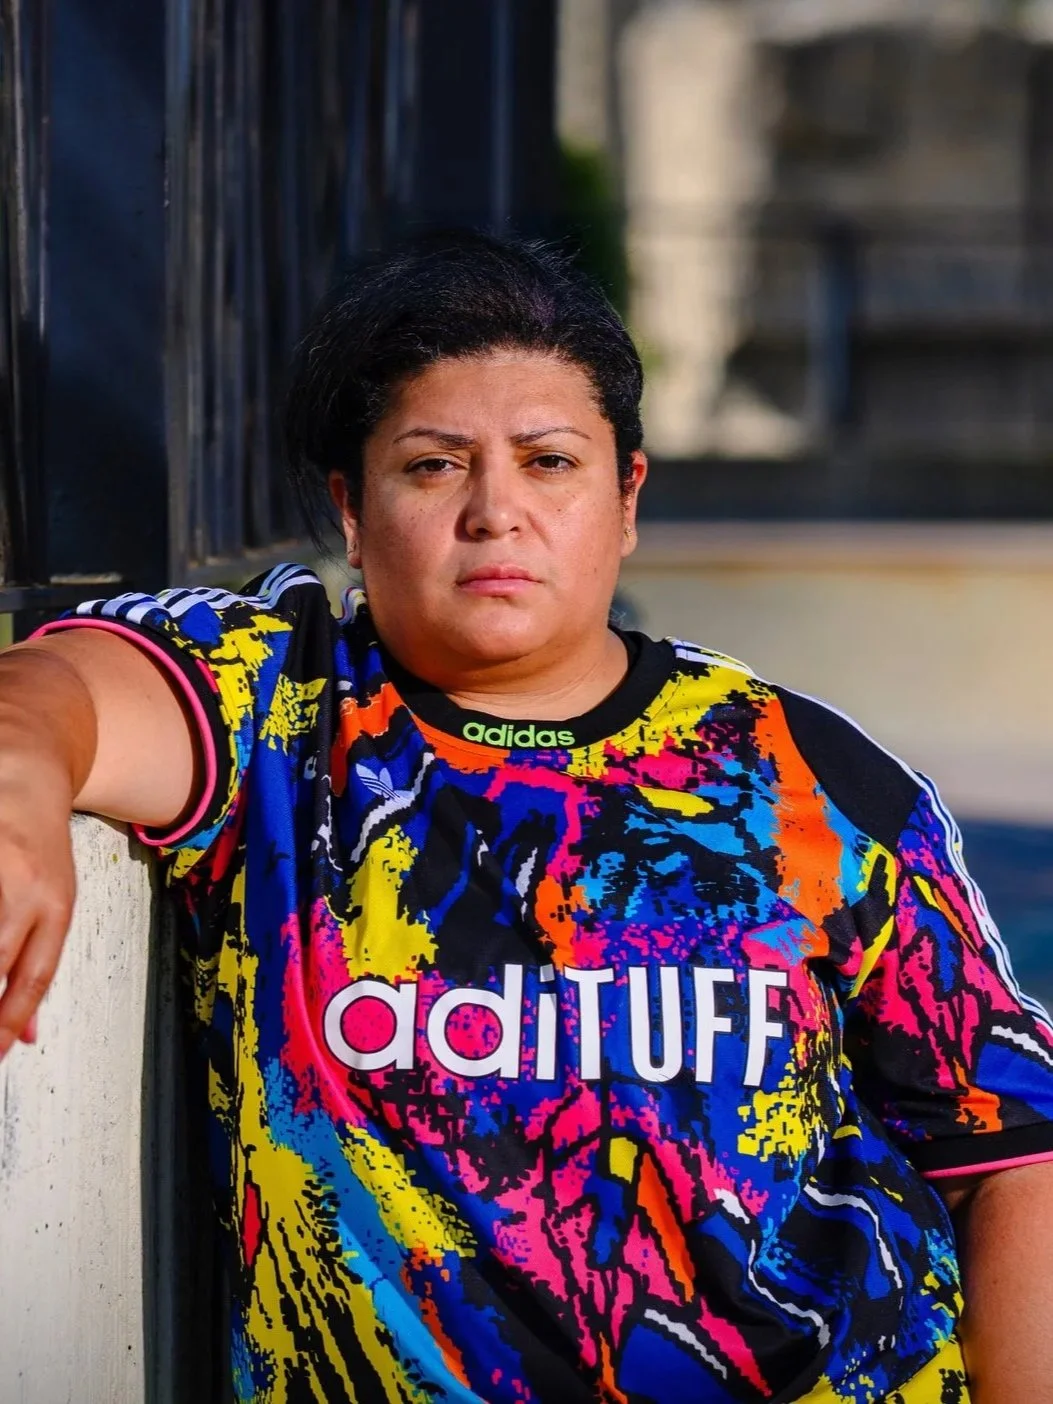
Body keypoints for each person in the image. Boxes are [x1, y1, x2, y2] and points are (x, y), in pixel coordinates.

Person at [0, 231, 1051, 1404]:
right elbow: (66, 692)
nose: (496, 512)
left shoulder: (806, 776)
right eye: (435, 466)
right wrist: (21, 783)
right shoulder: (281, 711)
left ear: (626, 496)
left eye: (549, 463)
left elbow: (1016, 1161)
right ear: (353, 509)